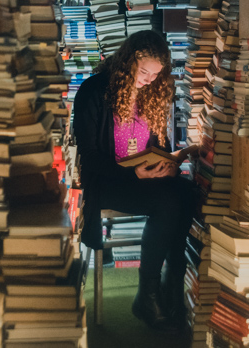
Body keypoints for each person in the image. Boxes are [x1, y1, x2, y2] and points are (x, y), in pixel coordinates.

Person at [72, 30, 197, 332]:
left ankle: (171, 289)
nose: (148, 80)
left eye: (155, 75)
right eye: (144, 72)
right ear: (128, 61)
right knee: (168, 201)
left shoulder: (152, 95)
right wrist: (132, 172)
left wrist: (170, 161)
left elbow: (157, 148)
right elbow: (87, 157)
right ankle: (149, 295)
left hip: (142, 179)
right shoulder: (93, 91)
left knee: (186, 193)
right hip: (106, 182)